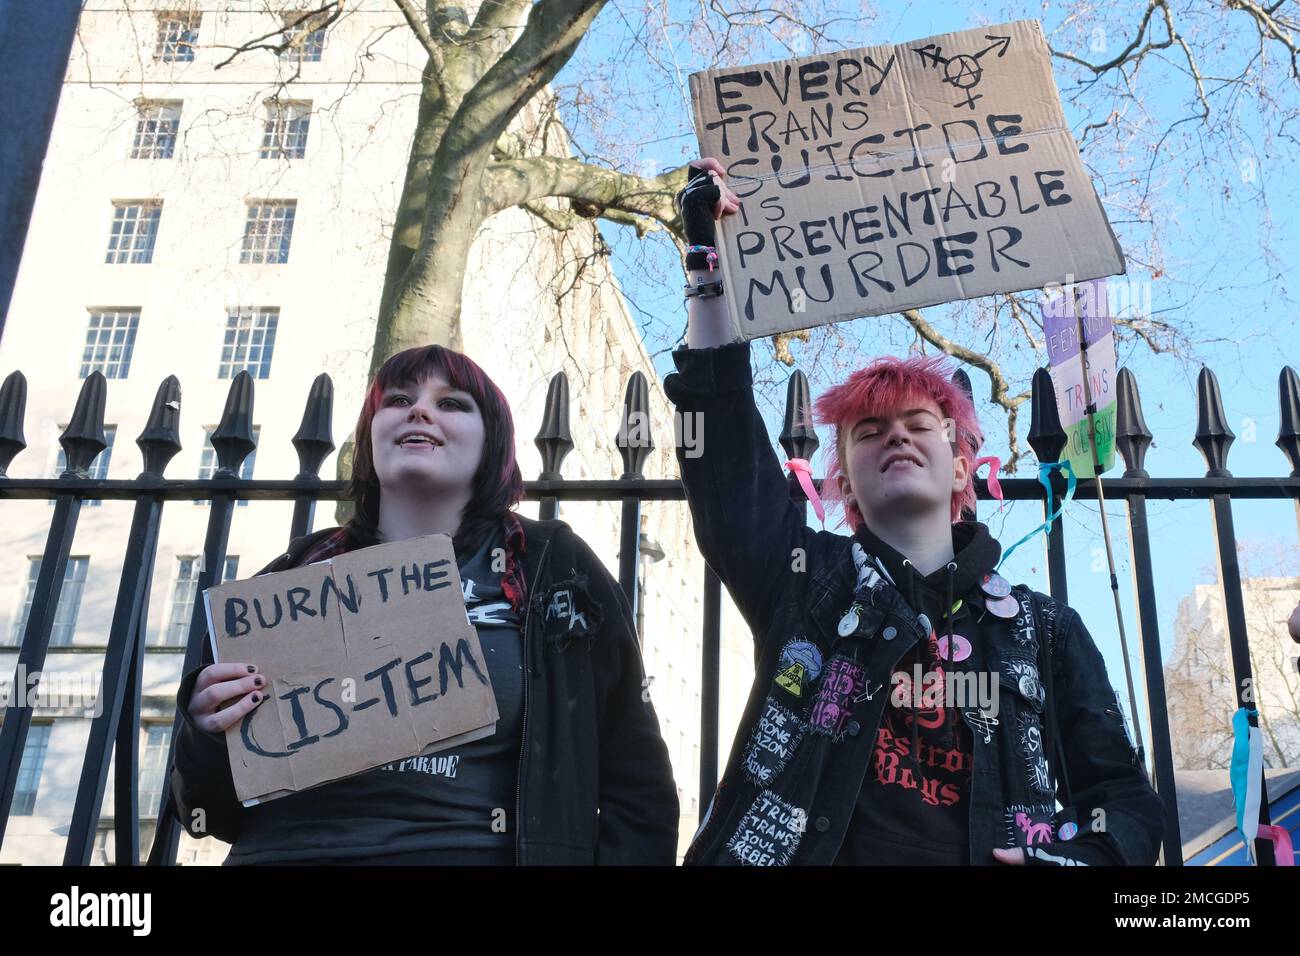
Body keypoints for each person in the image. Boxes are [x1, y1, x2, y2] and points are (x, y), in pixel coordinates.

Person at [663, 158, 1165, 866]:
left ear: (961, 465)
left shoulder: (1046, 630)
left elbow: (1124, 798)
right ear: (845, 483)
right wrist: (708, 264)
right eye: (868, 432)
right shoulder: (803, 583)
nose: (894, 434)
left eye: (919, 424)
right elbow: (723, 457)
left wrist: (1084, 862)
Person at [170, 345, 679, 864]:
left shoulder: (552, 567)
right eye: (398, 399)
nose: (419, 410)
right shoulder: (293, 577)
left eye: (452, 403)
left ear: (492, 443)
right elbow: (206, 811)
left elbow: (637, 786)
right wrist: (205, 730)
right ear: (371, 436)